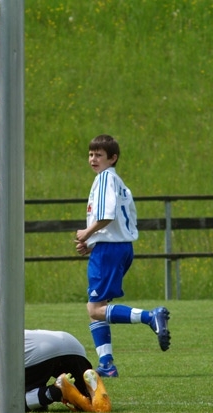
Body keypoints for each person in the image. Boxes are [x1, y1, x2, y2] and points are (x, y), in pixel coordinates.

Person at [74, 134, 171, 378]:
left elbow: (106, 215)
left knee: (95, 309)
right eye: (91, 154)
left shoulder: (105, 178)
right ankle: (106, 364)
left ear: (113, 158)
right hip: (118, 247)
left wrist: (87, 233)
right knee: (96, 306)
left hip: (110, 251)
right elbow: (120, 219)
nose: (93, 159)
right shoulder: (117, 181)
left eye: (99, 155)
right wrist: (93, 244)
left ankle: (150, 317)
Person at [0, 329, 111, 413]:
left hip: (43, 356)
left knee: (2, 406)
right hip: (72, 346)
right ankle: (90, 386)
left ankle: (57, 390)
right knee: (88, 404)